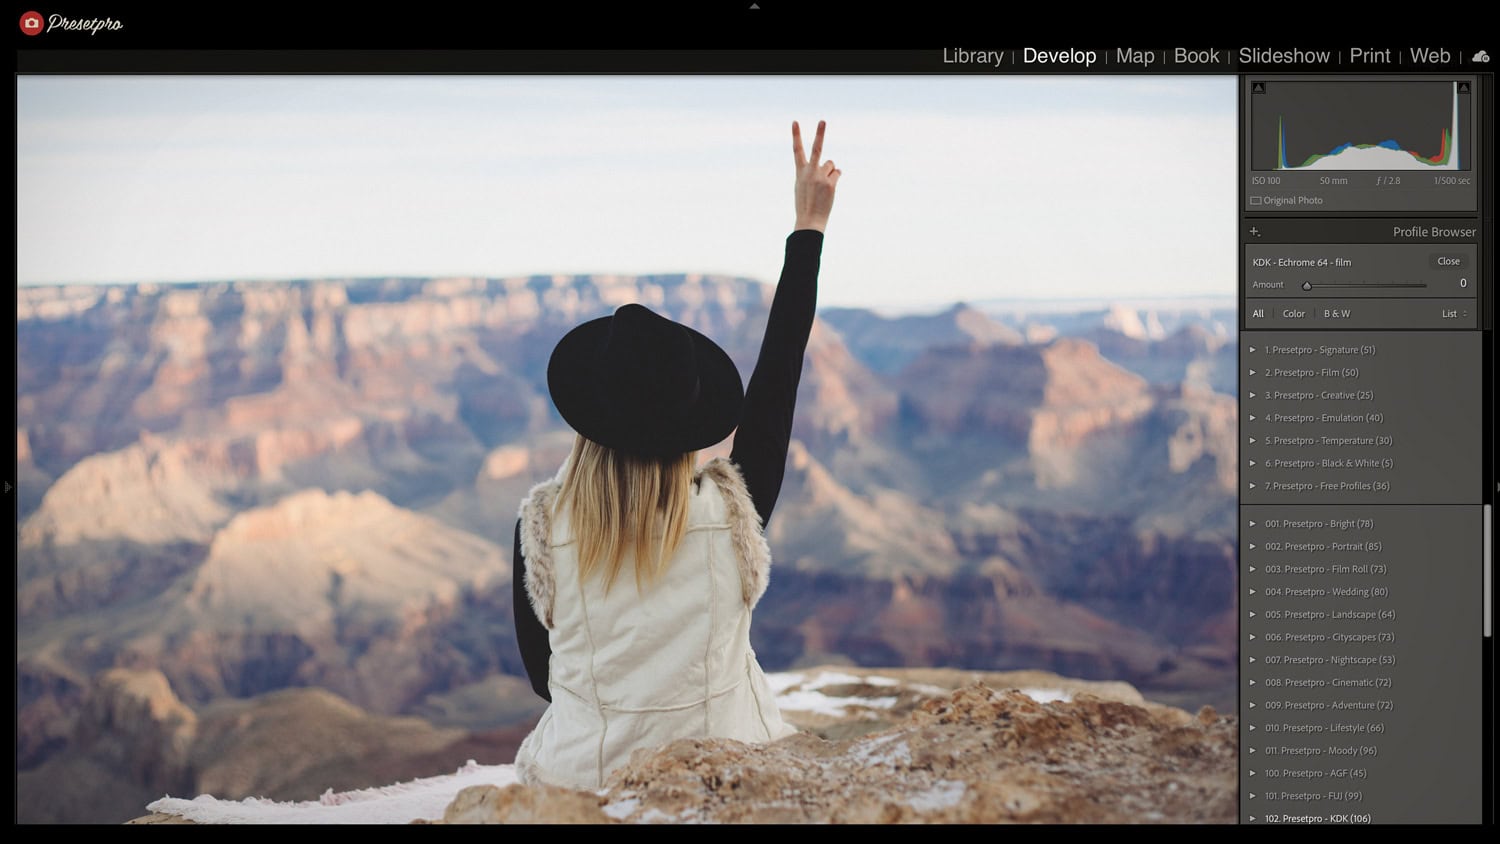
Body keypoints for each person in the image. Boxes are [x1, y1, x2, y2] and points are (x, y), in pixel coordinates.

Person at [509, 121, 841, 791]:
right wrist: (808, 227)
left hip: (583, 783)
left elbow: (545, 678)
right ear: (691, 420)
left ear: (589, 420)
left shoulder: (541, 528)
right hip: (727, 775)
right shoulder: (736, 507)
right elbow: (778, 380)